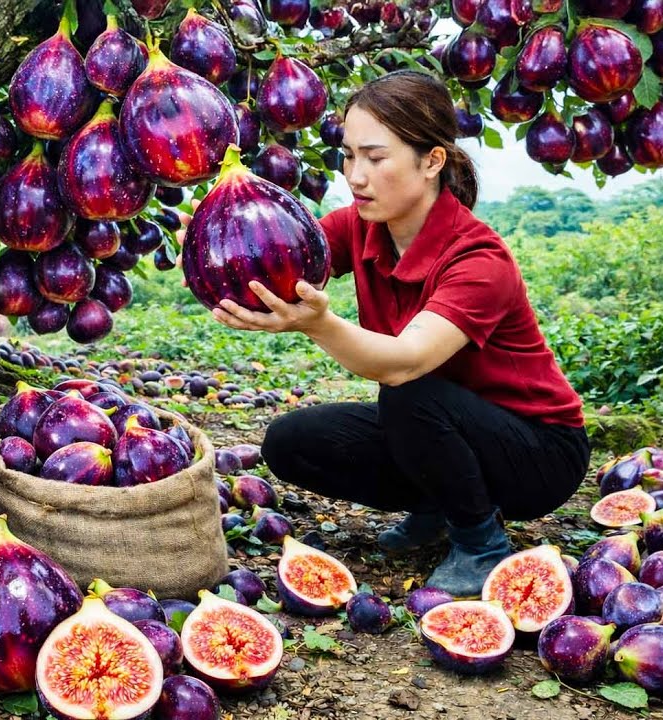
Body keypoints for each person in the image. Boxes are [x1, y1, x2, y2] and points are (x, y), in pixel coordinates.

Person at [207, 70, 590, 597]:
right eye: (348, 156)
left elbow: (404, 362)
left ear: (432, 161)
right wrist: (220, 234)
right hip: (438, 428)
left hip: (539, 453)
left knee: (408, 389)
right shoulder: (359, 226)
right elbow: (279, 258)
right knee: (291, 442)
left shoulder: (479, 259)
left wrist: (319, 323)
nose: (355, 176)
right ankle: (437, 504)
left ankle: (480, 542)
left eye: (375, 157)